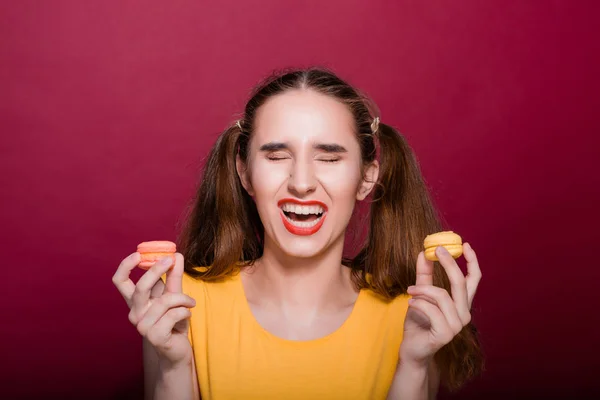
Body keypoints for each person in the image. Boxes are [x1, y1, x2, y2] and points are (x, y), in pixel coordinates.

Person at [113, 67, 483, 400]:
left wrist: (413, 368)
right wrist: (175, 369)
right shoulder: (179, 306)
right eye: (276, 157)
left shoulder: (414, 315)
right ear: (244, 173)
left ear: (367, 177)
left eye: (329, 158)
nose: (302, 183)